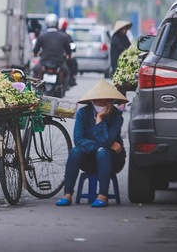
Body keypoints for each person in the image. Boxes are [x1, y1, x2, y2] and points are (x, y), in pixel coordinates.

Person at [55, 80, 128, 208]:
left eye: (106, 100)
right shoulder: (83, 113)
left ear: (111, 102)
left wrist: (100, 119)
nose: (103, 103)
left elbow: (106, 141)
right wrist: (104, 145)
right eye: (99, 100)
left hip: (112, 160)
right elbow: (78, 140)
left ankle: (103, 195)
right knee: (75, 151)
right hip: (88, 159)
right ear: (93, 101)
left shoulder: (117, 117)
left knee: (102, 152)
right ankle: (67, 194)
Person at [32, 13, 72, 85]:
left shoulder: (42, 36)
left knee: (35, 71)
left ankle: (36, 88)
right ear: (57, 23)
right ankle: (63, 87)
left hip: (44, 62)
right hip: (59, 62)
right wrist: (69, 56)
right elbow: (68, 50)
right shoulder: (64, 36)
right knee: (66, 72)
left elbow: (35, 50)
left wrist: (35, 54)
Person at [58, 17, 78, 87]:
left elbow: (70, 46)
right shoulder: (66, 36)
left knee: (73, 62)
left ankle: (72, 79)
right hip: (59, 57)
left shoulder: (67, 36)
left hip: (63, 56)